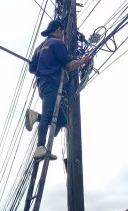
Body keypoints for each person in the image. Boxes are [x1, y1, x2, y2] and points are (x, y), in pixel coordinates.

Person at [27, 19, 91, 160]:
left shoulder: (40, 47)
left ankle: (36, 116)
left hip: (42, 85)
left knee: (61, 121)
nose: (63, 35)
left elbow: (31, 68)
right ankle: (40, 147)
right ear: (58, 30)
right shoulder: (57, 43)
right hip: (51, 84)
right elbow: (68, 65)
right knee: (47, 115)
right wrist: (82, 61)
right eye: (62, 32)